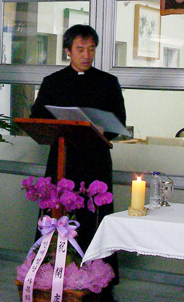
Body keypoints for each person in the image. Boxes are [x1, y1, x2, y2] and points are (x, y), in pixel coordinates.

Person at [30, 24, 126, 285]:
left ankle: (98, 278)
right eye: (80, 49)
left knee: (93, 217)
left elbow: (119, 122)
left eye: (91, 49)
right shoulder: (53, 82)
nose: (86, 55)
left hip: (95, 162)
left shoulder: (108, 82)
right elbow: (37, 117)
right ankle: (52, 272)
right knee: (57, 212)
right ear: (67, 51)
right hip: (63, 160)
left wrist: (97, 128)